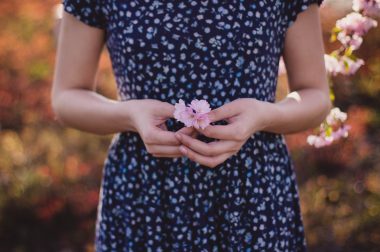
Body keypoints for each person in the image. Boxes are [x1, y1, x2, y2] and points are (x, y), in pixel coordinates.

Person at [52, 0, 331, 251]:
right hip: (145, 192)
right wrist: (129, 114)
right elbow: (67, 97)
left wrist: (264, 115)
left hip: (251, 190)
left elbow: (315, 95)